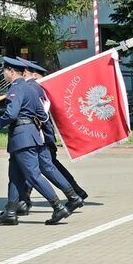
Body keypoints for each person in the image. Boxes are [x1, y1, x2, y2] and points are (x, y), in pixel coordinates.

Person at [0, 57, 72, 227]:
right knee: (15, 177)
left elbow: (11, 114)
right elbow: (43, 115)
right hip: (31, 135)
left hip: (21, 137)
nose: (3, 74)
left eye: (4, 71)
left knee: (33, 175)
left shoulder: (16, 88)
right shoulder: (31, 88)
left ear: (11, 71)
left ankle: (57, 206)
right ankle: (10, 213)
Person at [18, 59, 87, 214]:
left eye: (23, 72)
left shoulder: (33, 88)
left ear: (33, 74)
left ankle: (74, 194)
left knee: (43, 167)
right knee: (42, 166)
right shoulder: (36, 87)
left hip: (40, 135)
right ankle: (24, 200)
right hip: (41, 134)